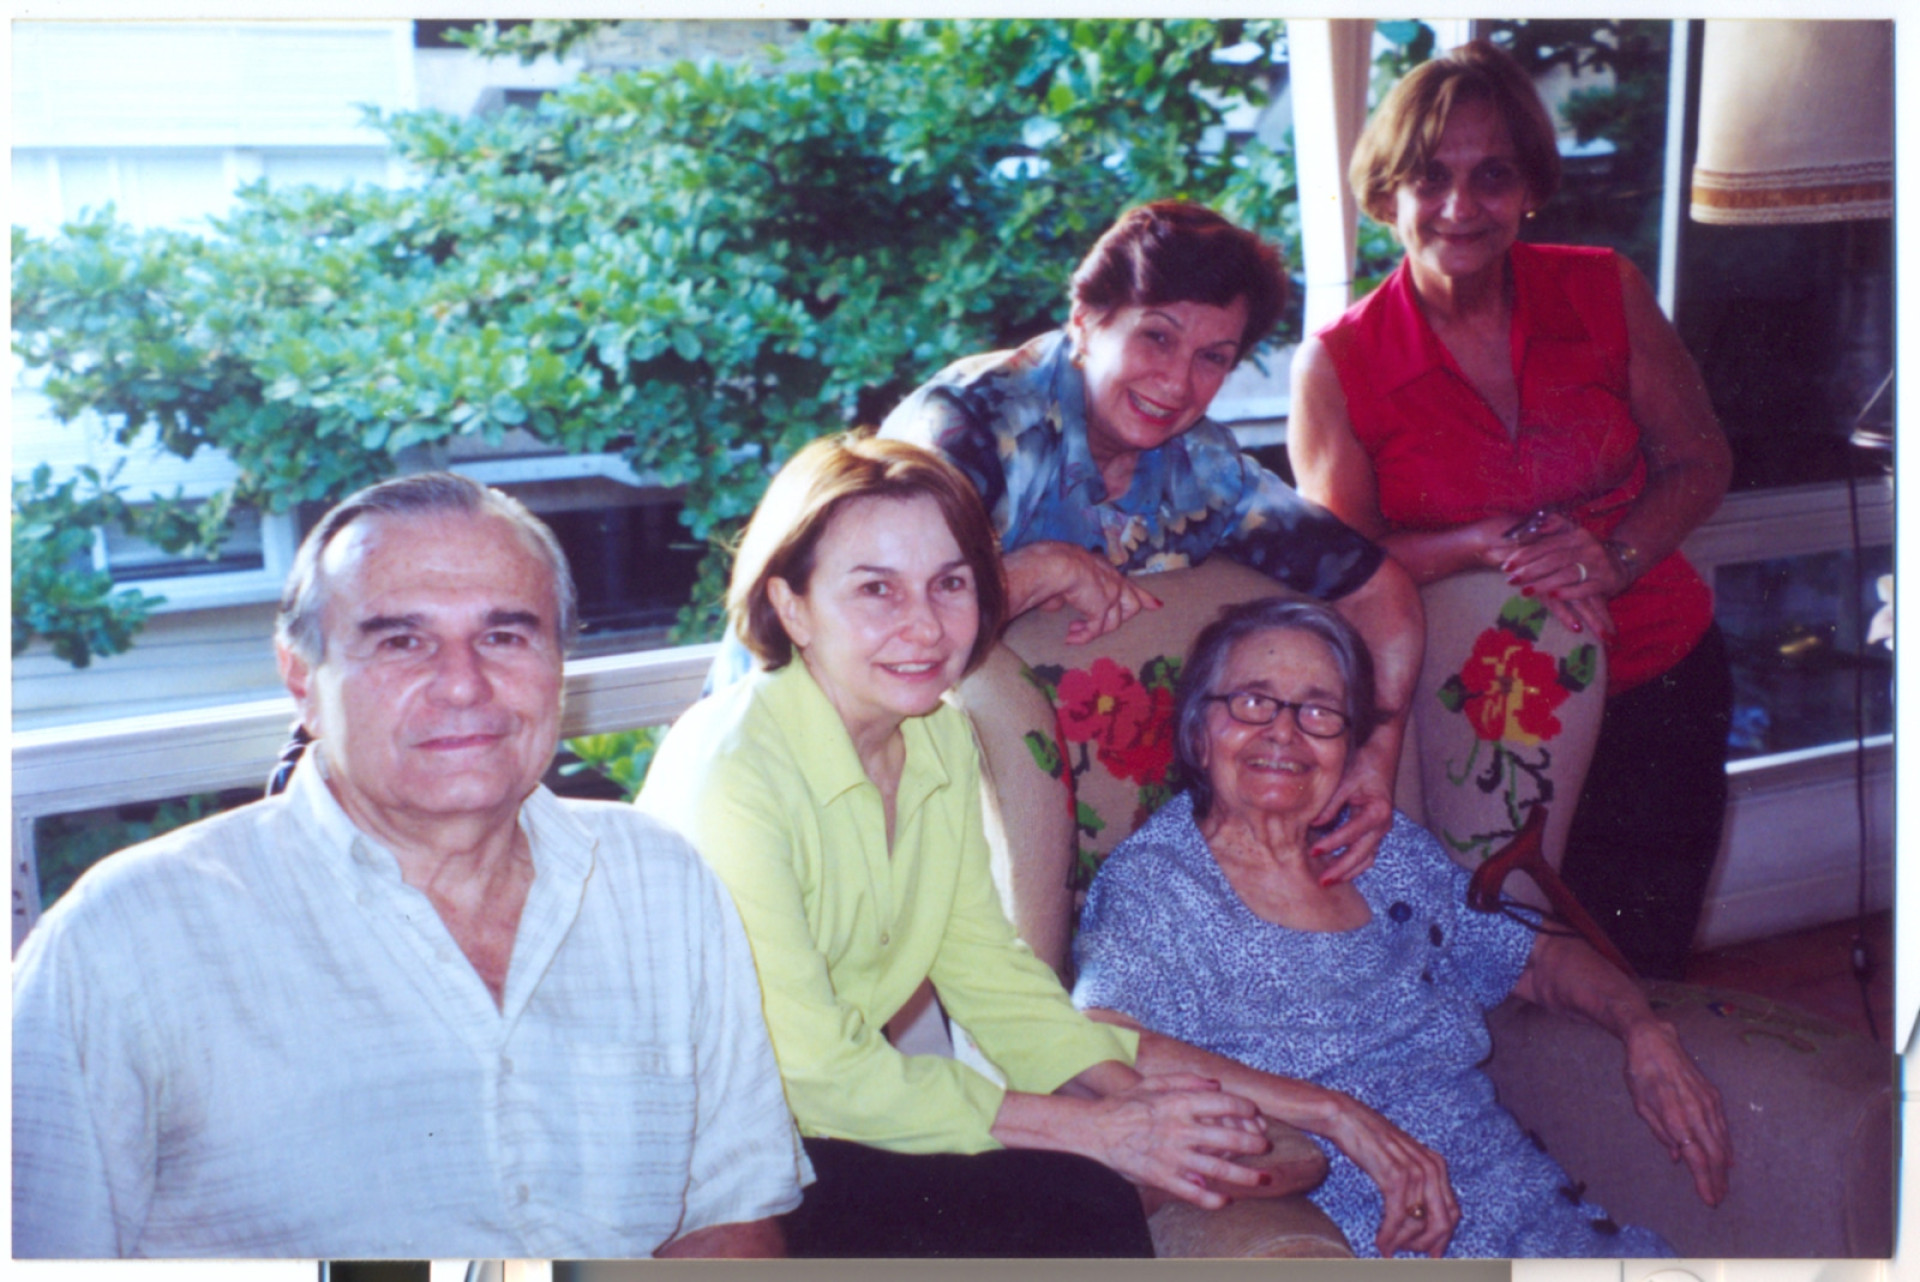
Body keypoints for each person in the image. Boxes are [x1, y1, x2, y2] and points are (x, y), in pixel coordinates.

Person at [12, 473, 809, 1259]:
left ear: (560, 662)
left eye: (506, 635)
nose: (463, 684)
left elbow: (730, 1218)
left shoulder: (658, 882)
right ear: (302, 678)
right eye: (401, 641)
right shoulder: (121, 942)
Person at [638, 435, 1275, 1258]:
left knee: (1085, 1195)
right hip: (696, 1158)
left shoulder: (935, 733)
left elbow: (986, 970)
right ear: (792, 606)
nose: (925, 626)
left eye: (950, 584)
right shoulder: (730, 773)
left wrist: (1135, 1105)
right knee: (1077, 1193)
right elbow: (815, 1073)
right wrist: (1098, 1130)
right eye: (876, 589)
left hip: (807, 1130)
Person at [1071, 597, 1732, 1258]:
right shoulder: (1159, 884)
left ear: (1349, 746)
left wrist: (1642, 1026)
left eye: (1319, 711)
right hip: (1370, 1235)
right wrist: (1335, 1113)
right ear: (1196, 731)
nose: (1284, 733)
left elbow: (1533, 957)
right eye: (1251, 702)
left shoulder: (1383, 852)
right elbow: (1096, 1038)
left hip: (1535, 1218)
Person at [1286, 41, 1734, 979]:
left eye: (1492, 175)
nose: (1459, 207)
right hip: (1486, 714)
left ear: (1529, 186)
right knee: (1512, 967)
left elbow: (1699, 460)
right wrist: (1474, 544)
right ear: (1386, 197)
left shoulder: (1604, 288)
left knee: (1645, 959)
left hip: (1661, 673)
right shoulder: (1337, 364)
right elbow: (1340, 561)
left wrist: (1613, 555)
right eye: (1429, 178)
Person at [876, 200, 1424, 879]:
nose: (1176, 382)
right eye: (1156, 337)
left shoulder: (1202, 468)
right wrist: (1039, 569)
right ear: (1086, 323)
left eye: (1212, 357)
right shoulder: (968, 427)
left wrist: (1373, 760)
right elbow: (890, 621)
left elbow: (1378, 589)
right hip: (833, 753)